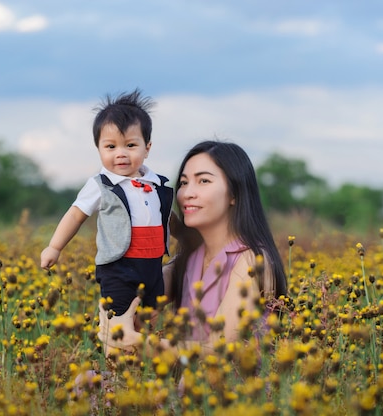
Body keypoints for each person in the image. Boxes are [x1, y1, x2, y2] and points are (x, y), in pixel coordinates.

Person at [98, 140, 287, 356]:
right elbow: (133, 296)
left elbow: (220, 348)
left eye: (204, 181)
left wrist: (139, 343)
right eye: (184, 183)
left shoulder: (252, 260)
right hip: (183, 383)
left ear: (234, 193)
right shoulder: (187, 259)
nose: (187, 193)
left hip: (234, 387)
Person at [40, 89, 174, 316]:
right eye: (111, 147)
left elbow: (169, 219)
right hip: (118, 267)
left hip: (152, 264)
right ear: (99, 149)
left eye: (130, 145)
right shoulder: (101, 184)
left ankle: (141, 349)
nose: (120, 154)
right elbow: (75, 214)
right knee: (117, 315)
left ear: (147, 148)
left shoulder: (156, 183)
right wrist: (55, 247)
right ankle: (114, 349)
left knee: (150, 315)